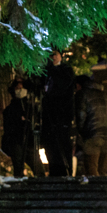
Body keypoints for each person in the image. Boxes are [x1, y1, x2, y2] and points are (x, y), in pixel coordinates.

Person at [74, 74, 107, 180]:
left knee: (91, 170)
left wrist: (81, 132)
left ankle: (95, 195)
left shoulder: (82, 94)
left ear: (79, 85)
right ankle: (103, 195)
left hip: (92, 136)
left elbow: (81, 116)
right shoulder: (105, 95)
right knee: (103, 171)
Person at [41, 49, 77, 177]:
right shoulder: (46, 72)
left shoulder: (66, 71)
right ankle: (54, 170)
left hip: (62, 114)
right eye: (51, 55)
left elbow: (62, 87)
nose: (53, 57)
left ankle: (64, 170)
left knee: (63, 142)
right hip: (49, 114)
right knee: (50, 144)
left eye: (55, 54)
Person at [2, 79, 41, 177]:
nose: (20, 90)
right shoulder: (11, 108)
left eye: (22, 87)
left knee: (36, 164)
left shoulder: (31, 106)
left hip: (30, 140)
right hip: (16, 140)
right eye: (17, 88)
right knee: (18, 166)